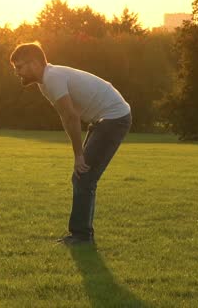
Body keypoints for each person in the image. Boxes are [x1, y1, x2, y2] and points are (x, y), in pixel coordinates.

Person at [10, 42, 131, 245]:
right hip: (104, 120)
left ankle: (82, 236)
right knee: (82, 177)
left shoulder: (52, 78)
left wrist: (78, 156)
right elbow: (68, 117)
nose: (17, 73)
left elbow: (71, 117)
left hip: (113, 118)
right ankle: (80, 234)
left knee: (84, 177)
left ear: (34, 63)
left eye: (19, 67)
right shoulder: (45, 82)